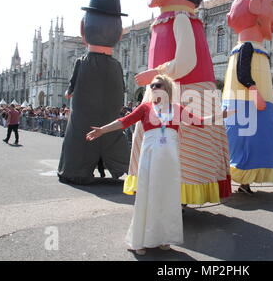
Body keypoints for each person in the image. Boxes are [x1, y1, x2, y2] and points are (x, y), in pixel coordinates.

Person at [86, 75, 230, 255]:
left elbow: (199, 121)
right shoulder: (145, 108)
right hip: (150, 157)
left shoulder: (177, 109)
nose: (153, 88)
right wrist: (102, 130)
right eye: (152, 86)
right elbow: (124, 121)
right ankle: (139, 240)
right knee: (147, 195)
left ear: (167, 88)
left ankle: (164, 237)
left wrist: (220, 115)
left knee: (168, 197)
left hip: (170, 160)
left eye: (157, 85)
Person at [129, 0, 232, 205]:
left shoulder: (181, 18)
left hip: (184, 92)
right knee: (166, 144)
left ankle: (175, 196)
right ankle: (165, 193)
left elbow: (186, 62)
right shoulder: (169, 19)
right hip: (167, 91)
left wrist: (153, 73)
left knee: (182, 147)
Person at [222, 0, 273, 195]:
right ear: (254, 7)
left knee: (253, 142)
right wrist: (254, 91)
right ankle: (237, 178)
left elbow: (256, 75)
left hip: (255, 104)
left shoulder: (257, 50)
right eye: (272, 6)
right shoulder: (246, 48)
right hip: (245, 105)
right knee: (244, 142)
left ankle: (245, 181)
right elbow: (243, 73)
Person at [57, 0, 130, 185]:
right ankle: (123, 164)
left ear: (83, 30)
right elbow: (122, 89)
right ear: (119, 33)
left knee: (79, 130)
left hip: (85, 107)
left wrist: (68, 93)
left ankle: (76, 169)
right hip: (111, 102)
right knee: (111, 130)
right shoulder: (117, 66)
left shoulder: (83, 62)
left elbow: (71, 89)